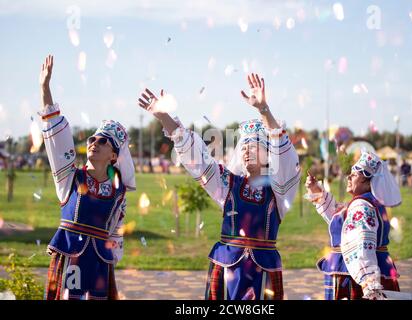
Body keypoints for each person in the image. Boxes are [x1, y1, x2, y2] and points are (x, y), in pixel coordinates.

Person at [137, 73, 300, 300]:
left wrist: (264, 110)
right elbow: (197, 159)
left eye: (253, 145)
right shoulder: (228, 184)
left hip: (262, 276)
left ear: (268, 154)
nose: (245, 150)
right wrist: (164, 117)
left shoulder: (278, 192)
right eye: (243, 146)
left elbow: (285, 155)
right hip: (226, 271)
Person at [39, 55, 135, 300]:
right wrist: (45, 89)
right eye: (92, 139)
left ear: (114, 155)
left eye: (103, 142)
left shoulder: (118, 192)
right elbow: (57, 140)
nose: (94, 143)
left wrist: (112, 256)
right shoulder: (69, 178)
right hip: (71, 256)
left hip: (100, 263)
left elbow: (116, 230)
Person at [305, 151, 401, 300]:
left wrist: (369, 283)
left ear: (368, 182)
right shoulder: (368, 202)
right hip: (368, 270)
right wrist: (316, 191)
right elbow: (339, 219)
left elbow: (363, 245)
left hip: (353, 278)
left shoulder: (361, 206)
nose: (348, 177)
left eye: (354, 175)